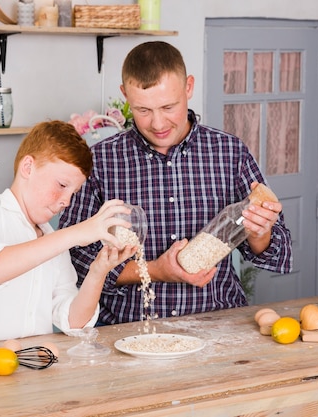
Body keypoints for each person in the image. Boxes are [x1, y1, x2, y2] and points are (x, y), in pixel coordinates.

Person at [60, 41, 293, 325]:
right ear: (124, 95)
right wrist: (154, 270)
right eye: (143, 110)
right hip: (126, 330)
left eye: (168, 107)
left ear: (189, 88)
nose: (158, 123)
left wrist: (259, 232)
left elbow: (276, 251)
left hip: (218, 325)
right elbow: (74, 260)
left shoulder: (229, 152)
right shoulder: (100, 160)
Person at [0, 120, 137, 348]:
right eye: (62, 185)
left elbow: (74, 322)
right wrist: (77, 233)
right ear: (28, 167)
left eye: (73, 192)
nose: (67, 201)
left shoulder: (52, 239)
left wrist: (98, 272)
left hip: (29, 370)